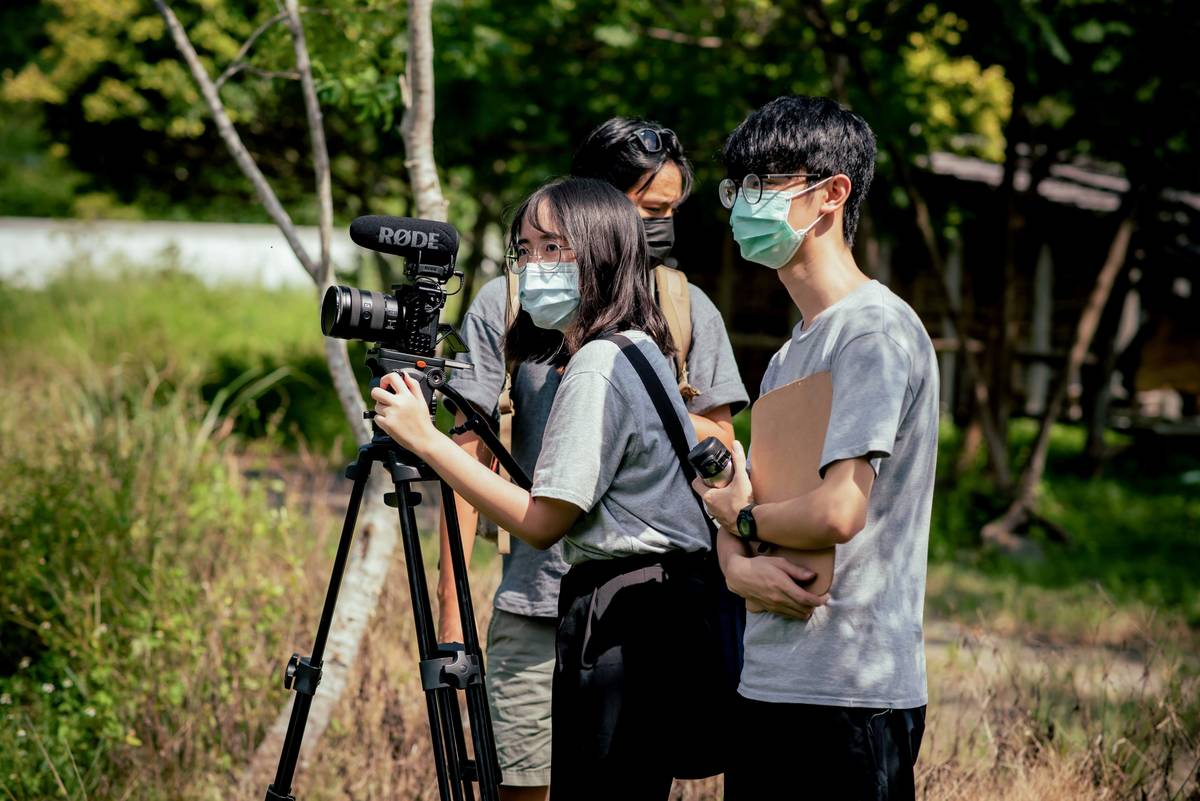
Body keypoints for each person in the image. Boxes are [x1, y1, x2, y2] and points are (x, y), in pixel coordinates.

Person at [372, 177, 722, 798]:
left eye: (553, 248)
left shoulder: (597, 366)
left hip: (624, 616)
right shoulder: (639, 347)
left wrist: (426, 440)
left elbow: (541, 522)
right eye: (525, 249)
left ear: (602, 255)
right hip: (652, 610)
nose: (534, 266)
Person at [693, 96, 939, 800]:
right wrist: (735, 560)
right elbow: (756, 503)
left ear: (831, 194)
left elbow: (836, 511)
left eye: (763, 184)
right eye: (735, 188)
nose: (743, 204)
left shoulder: (873, 333)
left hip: (850, 694)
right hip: (769, 679)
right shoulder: (789, 354)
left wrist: (738, 523)